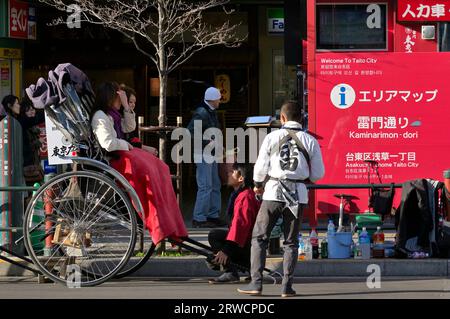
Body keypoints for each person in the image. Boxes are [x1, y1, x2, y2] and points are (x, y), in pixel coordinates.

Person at [237, 101, 325, 297]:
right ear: (301, 119)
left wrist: (258, 185)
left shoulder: (271, 137)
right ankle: (287, 286)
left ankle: (256, 284)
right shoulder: (310, 141)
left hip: (273, 192)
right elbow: (318, 173)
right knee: (291, 242)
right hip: (298, 194)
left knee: (259, 237)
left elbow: (260, 169)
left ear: (282, 118)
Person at [91, 82, 187, 244]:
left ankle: (170, 221)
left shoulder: (112, 114)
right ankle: (159, 223)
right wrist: (127, 145)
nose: (120, 101)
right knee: (149, 171)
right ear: (110, 97)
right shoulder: (100, 116)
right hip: (116, 158)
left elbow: (129, 128)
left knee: (161, 167)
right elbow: (108, 143)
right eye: (118, 97)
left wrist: (126, 108)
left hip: (124, 153)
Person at [207, 163, 261, 283]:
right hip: (246, 243)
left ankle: (230, 272)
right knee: (216, 238)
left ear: (241, 178)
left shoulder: (245, 197)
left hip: (247, 245)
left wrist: (226, 250)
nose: (228, 174)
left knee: (214, 235)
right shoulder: (241, 194)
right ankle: (239, 268)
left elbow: (240, 227)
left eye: (232, 172)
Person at [187, 87, 226, 228]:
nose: (220, 101)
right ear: (213, 99)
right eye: (218, 99)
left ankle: (212, 215)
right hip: (203, 153)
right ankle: (199, 217)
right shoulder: (202, 113)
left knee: (215, 184)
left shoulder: (208, 111)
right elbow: (190, 133)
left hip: (211, 152)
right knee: (206, 185)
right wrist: (207, 142)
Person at [1, 94, 45, 182]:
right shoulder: (14, 122)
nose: (19, 106)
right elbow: (35, 119)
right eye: (17, 103)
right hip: (23, 164)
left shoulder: (13, 121)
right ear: (10, 106)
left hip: (20, 164)